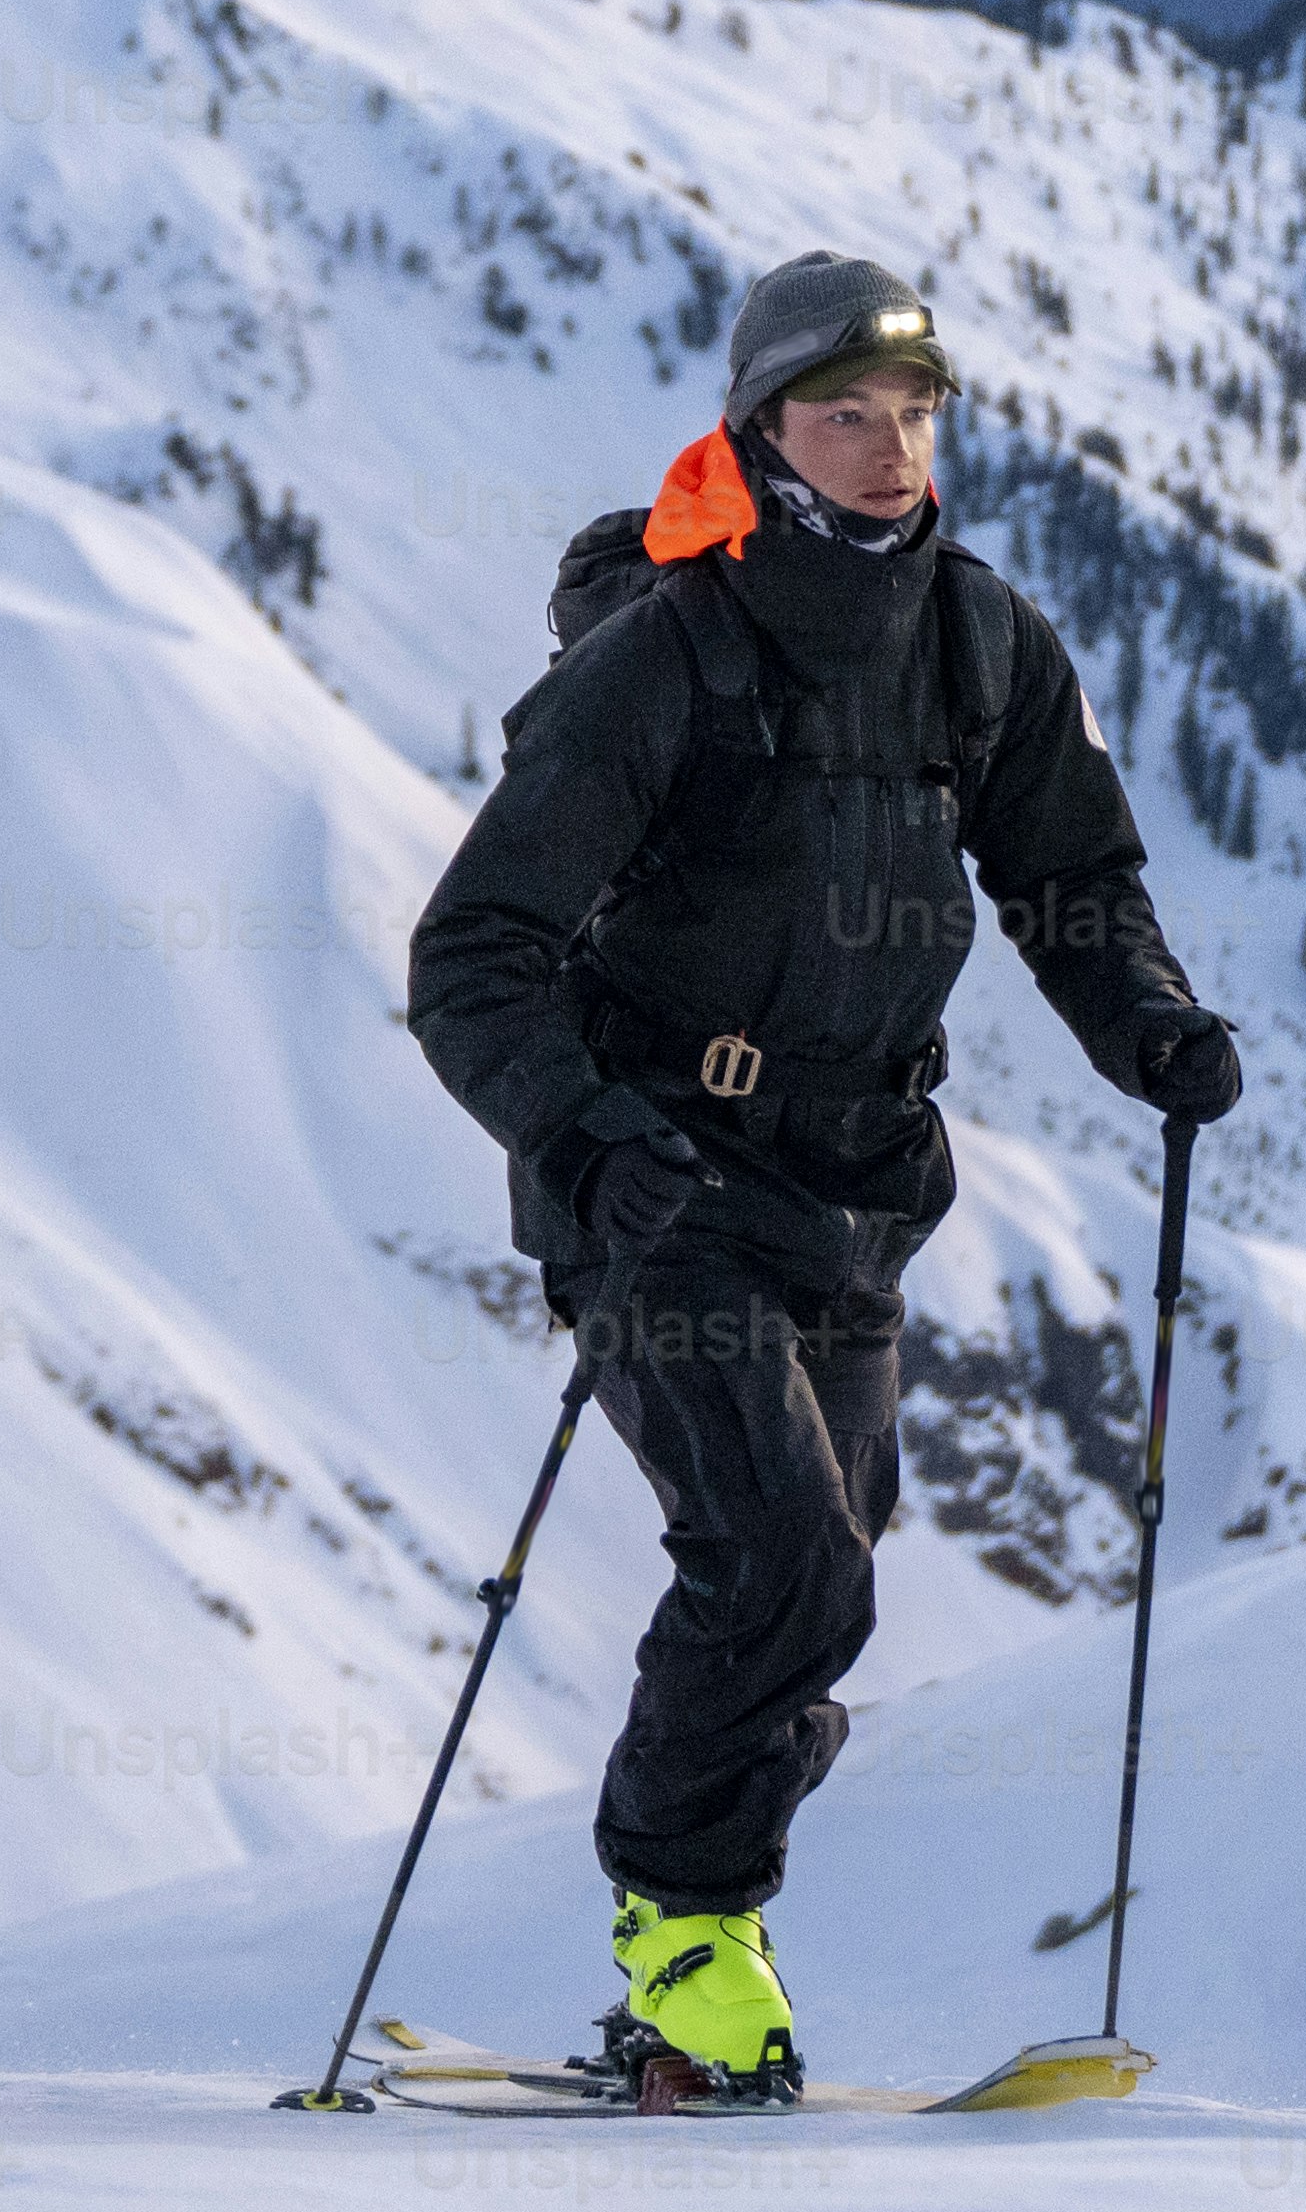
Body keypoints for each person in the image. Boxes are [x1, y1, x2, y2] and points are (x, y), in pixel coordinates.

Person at [402, 257, 1245, 2101]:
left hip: (857, 1181)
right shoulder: (668, 655)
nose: (889, 447)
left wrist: (1154, 1024)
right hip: (657, 1182)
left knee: (825, 1577)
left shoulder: (980, 640)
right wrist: (585, 1133)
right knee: (784, 1558)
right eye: (845, 413)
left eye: (915, 409)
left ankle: (689, 1942)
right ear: (763, 432)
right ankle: (686, 1932)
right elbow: (470, 953)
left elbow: (1072, 880)